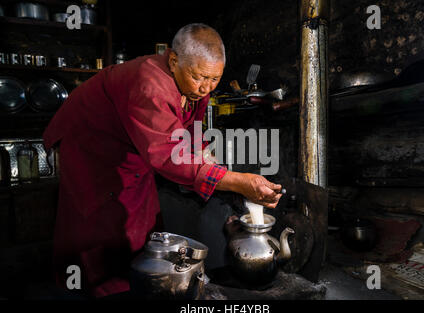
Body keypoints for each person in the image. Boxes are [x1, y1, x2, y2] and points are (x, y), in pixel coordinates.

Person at [43, 23, 283, 298]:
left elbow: (189, 133)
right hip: (90, 147)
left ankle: (133, 282)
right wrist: (237, 183)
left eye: (214, 79)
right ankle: (91, 289)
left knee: (140, 217)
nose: (206, 88)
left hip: (135, 148)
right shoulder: (149, 84)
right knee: (98, 220)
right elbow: (170, 153)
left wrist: (215, 167)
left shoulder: (195, 89)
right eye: (199, 77)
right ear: (173, 60)